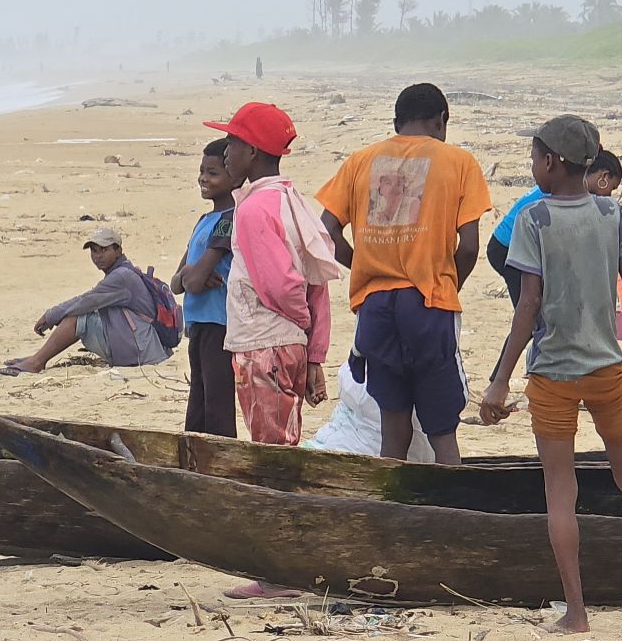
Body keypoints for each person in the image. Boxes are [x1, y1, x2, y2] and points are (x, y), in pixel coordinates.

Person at [479, 115, 622, 633]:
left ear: (551, 162)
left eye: (535, 158)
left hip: (553, 375)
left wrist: (500, 379)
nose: (533, 166)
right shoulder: (610, 213)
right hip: (607, 367)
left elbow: (528, 306)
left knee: (561, 492)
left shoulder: (535, 218)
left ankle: (577, 612)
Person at [317, 83, 491, 464]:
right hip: (429, 302)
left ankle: (391, 498)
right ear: (441, 121)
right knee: (442, 431)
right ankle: (451, 500)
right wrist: (447, 283)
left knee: (393, 428)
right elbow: (469, 246)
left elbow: (326, 229)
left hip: (375, 307)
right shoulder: (459, 162)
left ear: (396, 123)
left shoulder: (361, 161)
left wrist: (364, 263)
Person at [211, 101, 337, 446]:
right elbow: (318, 281)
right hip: (289, 346)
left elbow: (280, 285)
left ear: (252, 151)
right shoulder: (291, 200)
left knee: (271, 448)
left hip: (264, 344)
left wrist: (303, 322)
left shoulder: (253, 208)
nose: (226, 154)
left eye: (232, 144)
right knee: (285, 439)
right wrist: (313, 352)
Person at [3, 226, 173, 374]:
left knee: (78, 318)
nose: (98, 256)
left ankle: (37, 362)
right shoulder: (122, 272)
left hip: (142, 351)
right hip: (142, 345)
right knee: (82, 314)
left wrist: (51, 315)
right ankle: (37, 358)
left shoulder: (122, 277)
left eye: (103, 250)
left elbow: (87, 301)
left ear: (118, 251)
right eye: (94, 251)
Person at [486, 140, 616, 301]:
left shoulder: (560, 185)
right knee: (530, 301)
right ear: (603, 177)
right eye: (612, 188)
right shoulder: (559, 193)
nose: (609, 195)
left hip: (510, 243)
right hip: (506, 247)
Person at [173, 139, 237, 435]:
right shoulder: (205, 220)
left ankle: (220, 459)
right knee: (197, 403)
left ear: (233, 175)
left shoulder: (228, 220)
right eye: (201, 171)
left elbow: (194, 283)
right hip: (198, 323)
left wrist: (192, 276)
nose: (203, 178)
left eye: (213, 173)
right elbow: (177, 283)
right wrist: (190, 273)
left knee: (217, 406)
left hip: (219, 324)